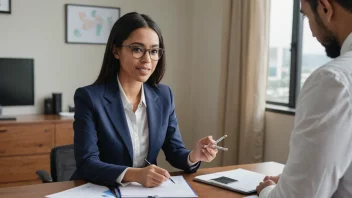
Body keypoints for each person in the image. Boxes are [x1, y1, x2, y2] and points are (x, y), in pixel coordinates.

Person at [70, 12, 218, 187]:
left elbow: (174, 151)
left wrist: (194, 155)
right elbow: (87, 163)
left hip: (142, 191)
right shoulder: (89, 98)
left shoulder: (164, 96)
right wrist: (135, 175)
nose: (147, 59)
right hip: (97, 189)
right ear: (116, 50)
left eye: (154, 51)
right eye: (137, 49)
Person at [256, 0, 352, 197]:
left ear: (325, 7)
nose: (311, 32)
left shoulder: (334, 80)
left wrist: (267, 191)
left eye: (306, 16)